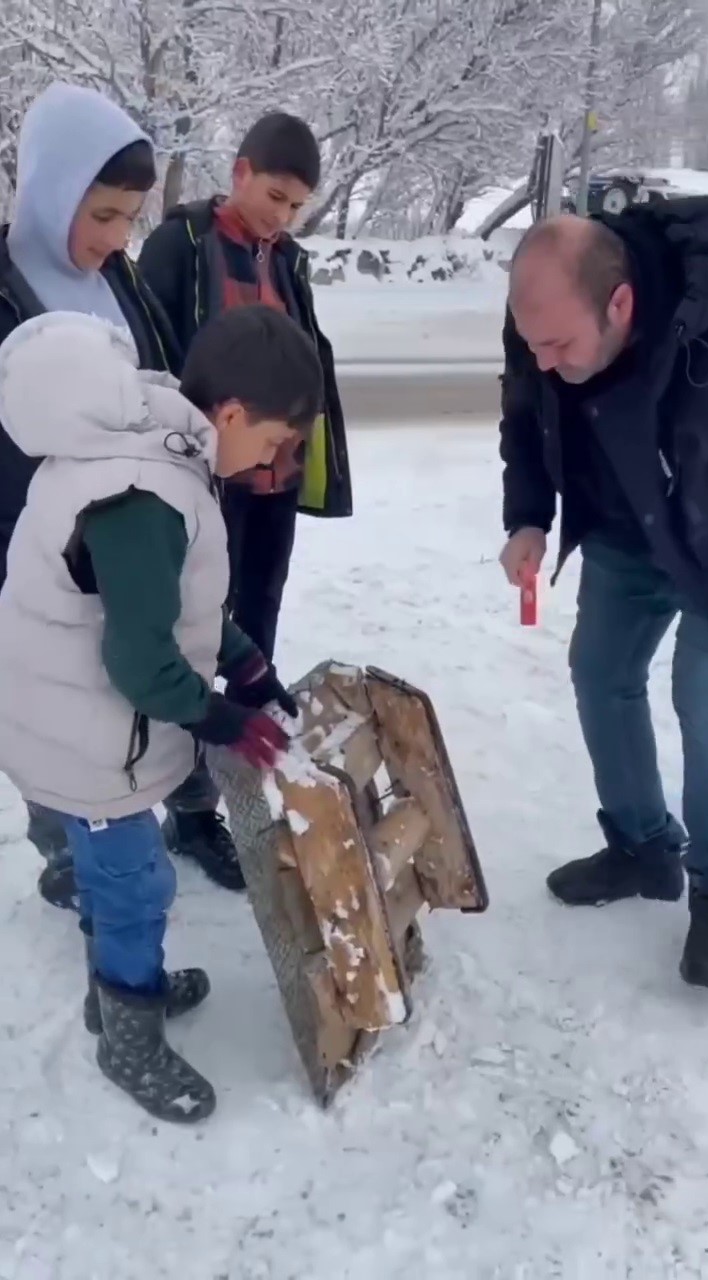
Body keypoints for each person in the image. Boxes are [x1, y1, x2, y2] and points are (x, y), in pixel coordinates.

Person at [0, 301, 323, 1121]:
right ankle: (127, 1039)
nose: (273, 462)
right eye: (276, 442)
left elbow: (177, 607)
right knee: (135, 885)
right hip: (84, 736)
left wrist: (247, 667)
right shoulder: (145, 494)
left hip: (78, 715)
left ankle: (115, 993)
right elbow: (140, 662)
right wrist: (222, 720)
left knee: (118, 883)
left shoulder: (162, 457)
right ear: (233, 415)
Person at [1, 81, 244, 904]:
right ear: (49, 191)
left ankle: (193, 810)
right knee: (65, 713)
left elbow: (158, 386)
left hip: (138, 532)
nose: (115, 237)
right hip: (37, 553)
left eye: (128, 217)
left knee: (159, 666)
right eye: (100, 214)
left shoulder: (123, 283)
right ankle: (68, 845)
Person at [499, 204, 708, 989]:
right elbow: (525, 413)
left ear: (620, 306)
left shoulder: (707, 327)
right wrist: (528, 515)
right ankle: (642, 847)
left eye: (558, 345)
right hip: (625, 529)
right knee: (600, 673)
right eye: (534, 345)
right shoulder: (542, 314)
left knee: (707, 702)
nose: (545, 360)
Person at [137, 110, 352, 660]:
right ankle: (195, 719)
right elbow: (150, 356)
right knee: (200, 606)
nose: (282, 216)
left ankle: (255, 705)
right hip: (211, 469)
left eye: (297, 207)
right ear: (240, 174)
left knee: (263, 601)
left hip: (277, 476)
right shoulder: (180, 244)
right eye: (275, 197)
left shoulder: (289, 263)